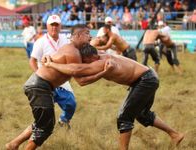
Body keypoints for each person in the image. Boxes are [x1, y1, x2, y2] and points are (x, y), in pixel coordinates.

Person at [43, 44, 184, 150]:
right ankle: (175, 135)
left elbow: (79, 74)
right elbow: (78, 65)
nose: (85, 63)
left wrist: (51, 64)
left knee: (124, 117)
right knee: (142, 114)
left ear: (91, 57)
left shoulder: (101, 62)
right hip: (147, 76)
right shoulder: (99, 53)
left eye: (85, 61)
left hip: (145, 80)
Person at [6, 25, 92, 150]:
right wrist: (103, 71)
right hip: (40, 86)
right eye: (87, 33)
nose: (90, 36)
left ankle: (13, 145)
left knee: (42, 122)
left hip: (39, 85)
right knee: (45, 127)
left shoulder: (71, 48)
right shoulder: (73, 52)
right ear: (78, 35)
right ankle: (16, 146)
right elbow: (81, 81)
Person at [30, 15, 77, 128]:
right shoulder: (40, 42)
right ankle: (39, 129)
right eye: (52, 25)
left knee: (71, 104)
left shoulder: (66, 40)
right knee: (44, 112)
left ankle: (64, 120)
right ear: (47, 26)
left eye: (56, 25)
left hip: (62, 80)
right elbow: (32, 61)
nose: (54, 27)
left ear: (60, 26)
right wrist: (38, 76)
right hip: (45, 81)